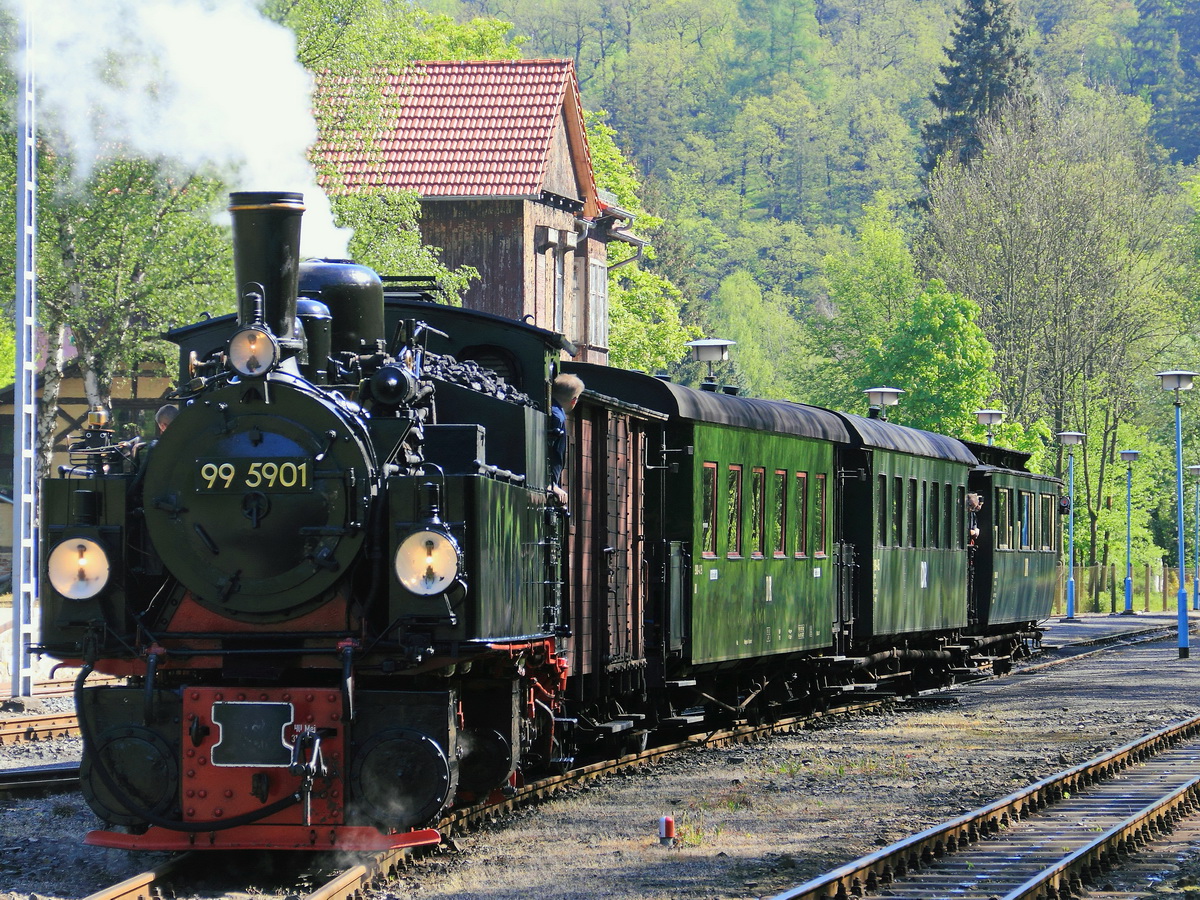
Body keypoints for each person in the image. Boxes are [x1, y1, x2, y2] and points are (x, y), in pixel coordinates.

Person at [548, 374, 584, 505]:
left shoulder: (550, 410)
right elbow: (552, 453)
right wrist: (551, 484)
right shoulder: (557, 417)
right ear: (574, 400)